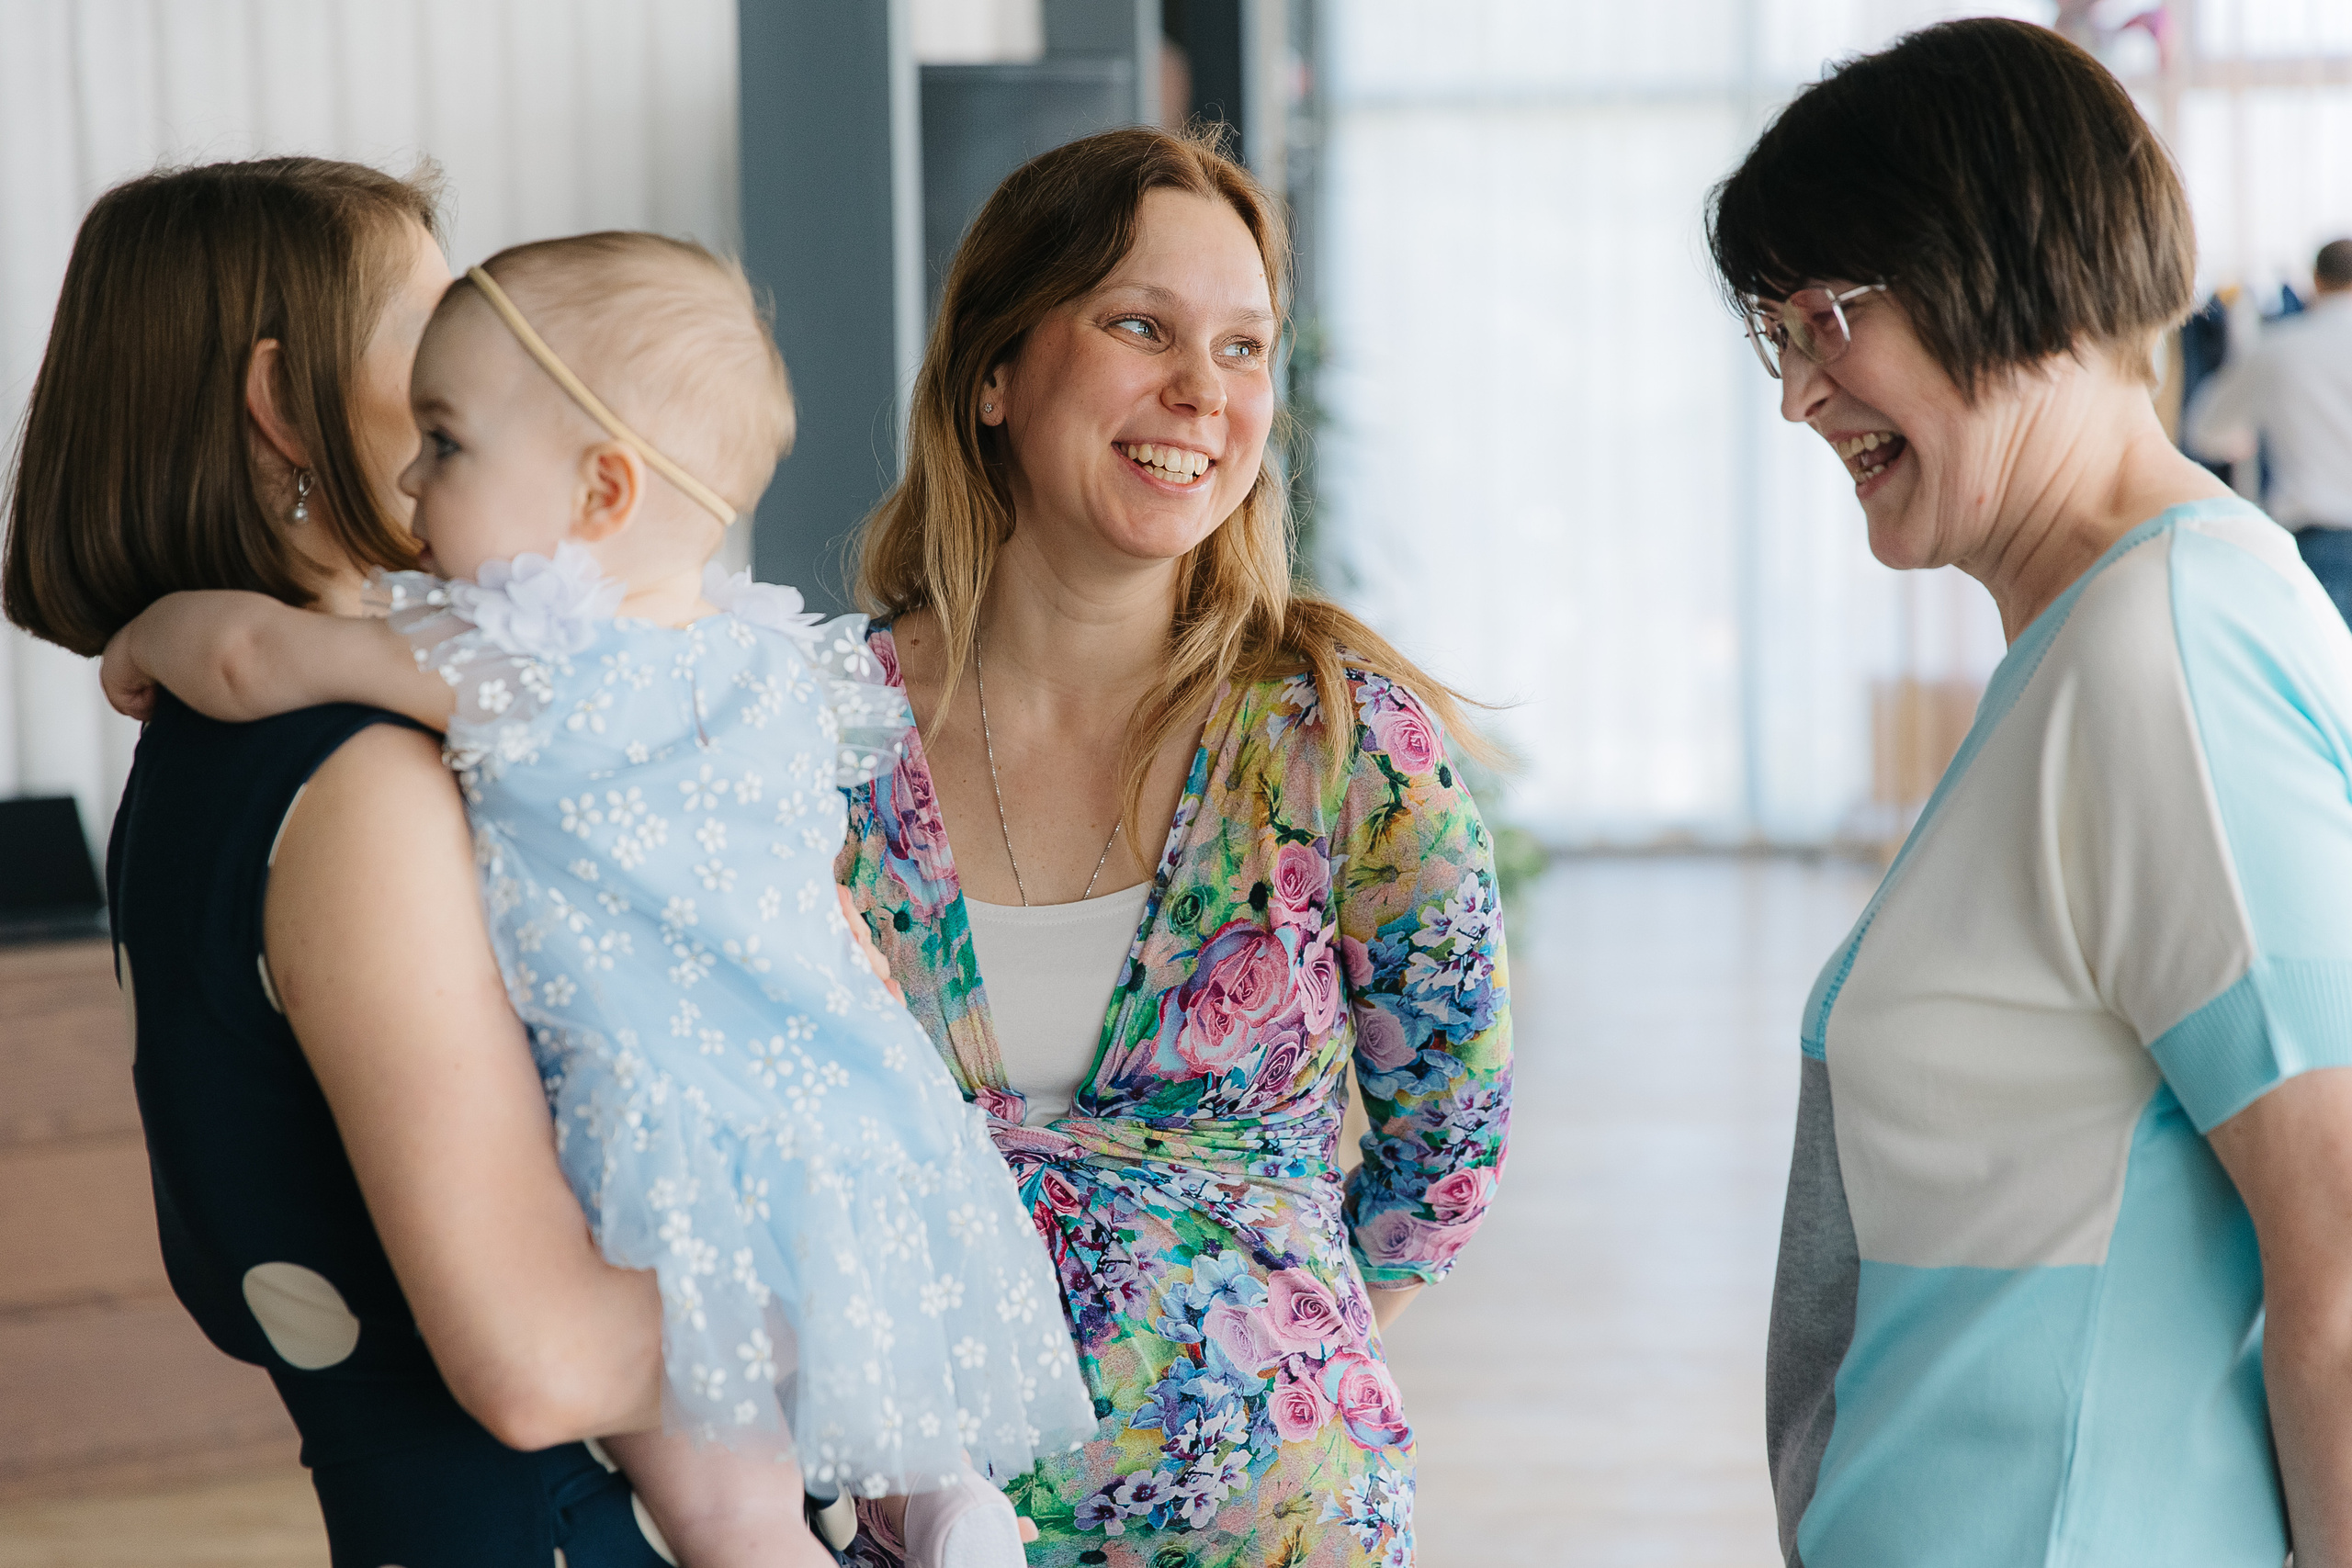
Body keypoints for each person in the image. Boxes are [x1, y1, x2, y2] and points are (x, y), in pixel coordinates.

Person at [97, 232, 1092, 1566]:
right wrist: (857, 1295)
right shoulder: (761, 664)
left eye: (446, 436)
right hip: (854, 1119)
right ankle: (944, 1501)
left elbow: (244, 647)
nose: (413, 466)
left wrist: (145, 637)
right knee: (874, 1447)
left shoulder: (498, 673)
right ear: (283, 404)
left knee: (733, 1508)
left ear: (601, 486)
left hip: (677, 1137)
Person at [1710, 20, 2352, 1568]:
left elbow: (2343, 1265)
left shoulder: (2164, 656)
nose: (1799, 396)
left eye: (1823, 319)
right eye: (1775, 338)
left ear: (2004, 269)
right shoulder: (2096, 642)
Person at [833, 126, 1513, 1565]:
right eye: (1142, 326)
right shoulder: (814, 737)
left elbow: (1443, 1155)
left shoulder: (1344, 744)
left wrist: (1266, 1350)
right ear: (995, 374)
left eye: (1244, 347)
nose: (1203, 391)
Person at [1, 160, 676, 1565]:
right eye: (438, 339)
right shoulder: (358, 785)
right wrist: (876, 1285)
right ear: (280, 399)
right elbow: (534, 1356)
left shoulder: (218, 743)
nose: (488, 379)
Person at [2187, 239, 2352, 624]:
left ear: (2316, 281)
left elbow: (2204, 429)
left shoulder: (2280, 349)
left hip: (2320, 547)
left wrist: (2242, 438)